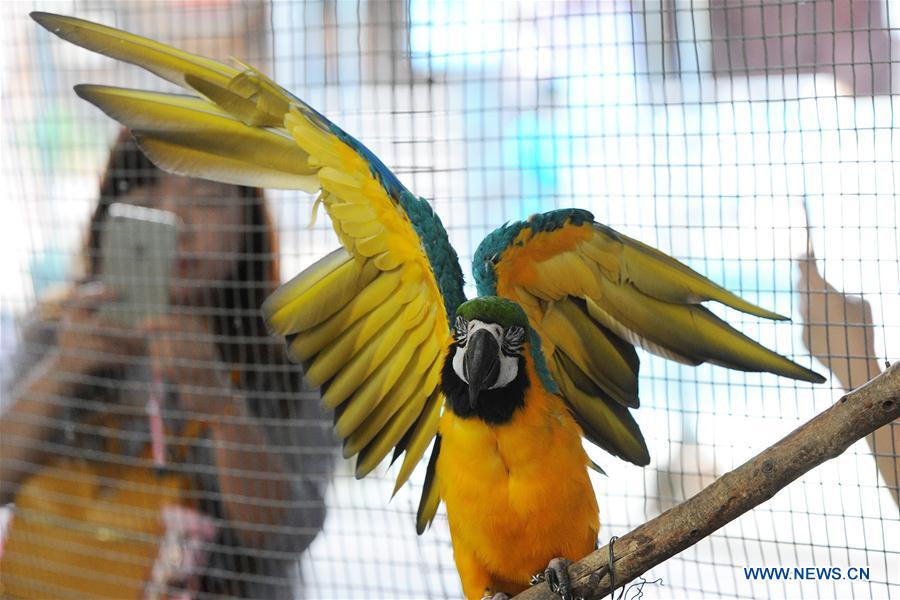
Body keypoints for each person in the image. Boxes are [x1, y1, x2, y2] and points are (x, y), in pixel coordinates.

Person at [0, 131, 334, 598]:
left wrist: (220, 406)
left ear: (249, 223)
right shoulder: (59, 327)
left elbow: (287, 537)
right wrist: (61, 371)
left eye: (207, 198)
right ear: (110, 213)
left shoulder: (292, 357)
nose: (176, 222)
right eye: (148, 192)